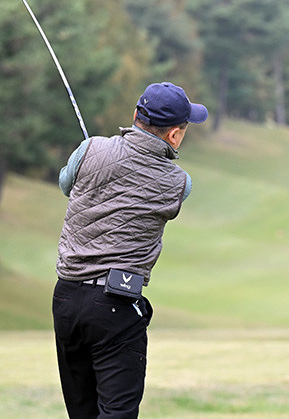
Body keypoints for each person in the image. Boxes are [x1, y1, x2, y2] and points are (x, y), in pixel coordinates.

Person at [52, 82, 207, 418]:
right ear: (175, 137)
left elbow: (67, 183)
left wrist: (91, 154)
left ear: (136, 115)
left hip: (66, 299)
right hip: (115, 305)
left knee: (83, 413)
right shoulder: (179, 183)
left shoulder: (91, 148)